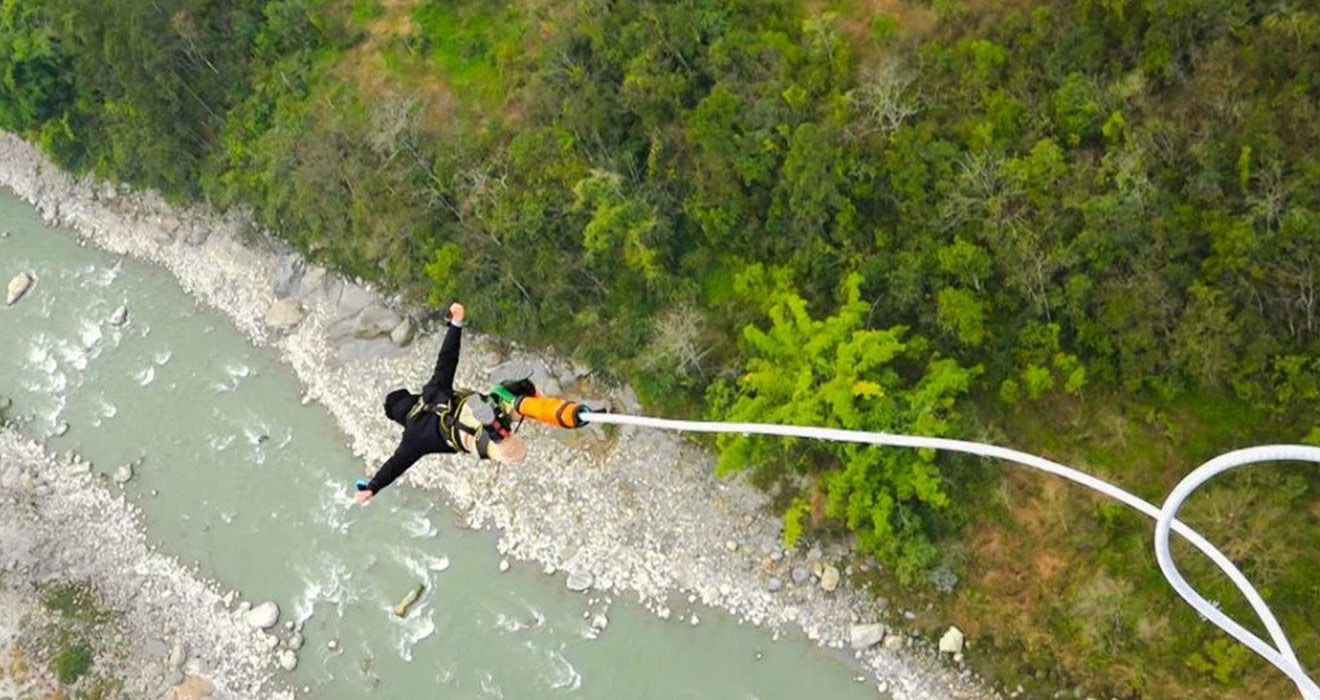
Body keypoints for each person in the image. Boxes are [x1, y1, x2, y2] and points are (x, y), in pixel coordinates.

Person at [354, 302, 592, 504]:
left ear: (399, 419)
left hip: (470, 436)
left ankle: (498, 432)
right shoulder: (431, 391)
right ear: (411, 397)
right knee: (518, 397)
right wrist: (456, 323)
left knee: (515, 453)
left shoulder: (412, 438)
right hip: (474, 405)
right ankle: (524, 403)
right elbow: (447, 359)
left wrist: (372, 487)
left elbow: (395, 465)